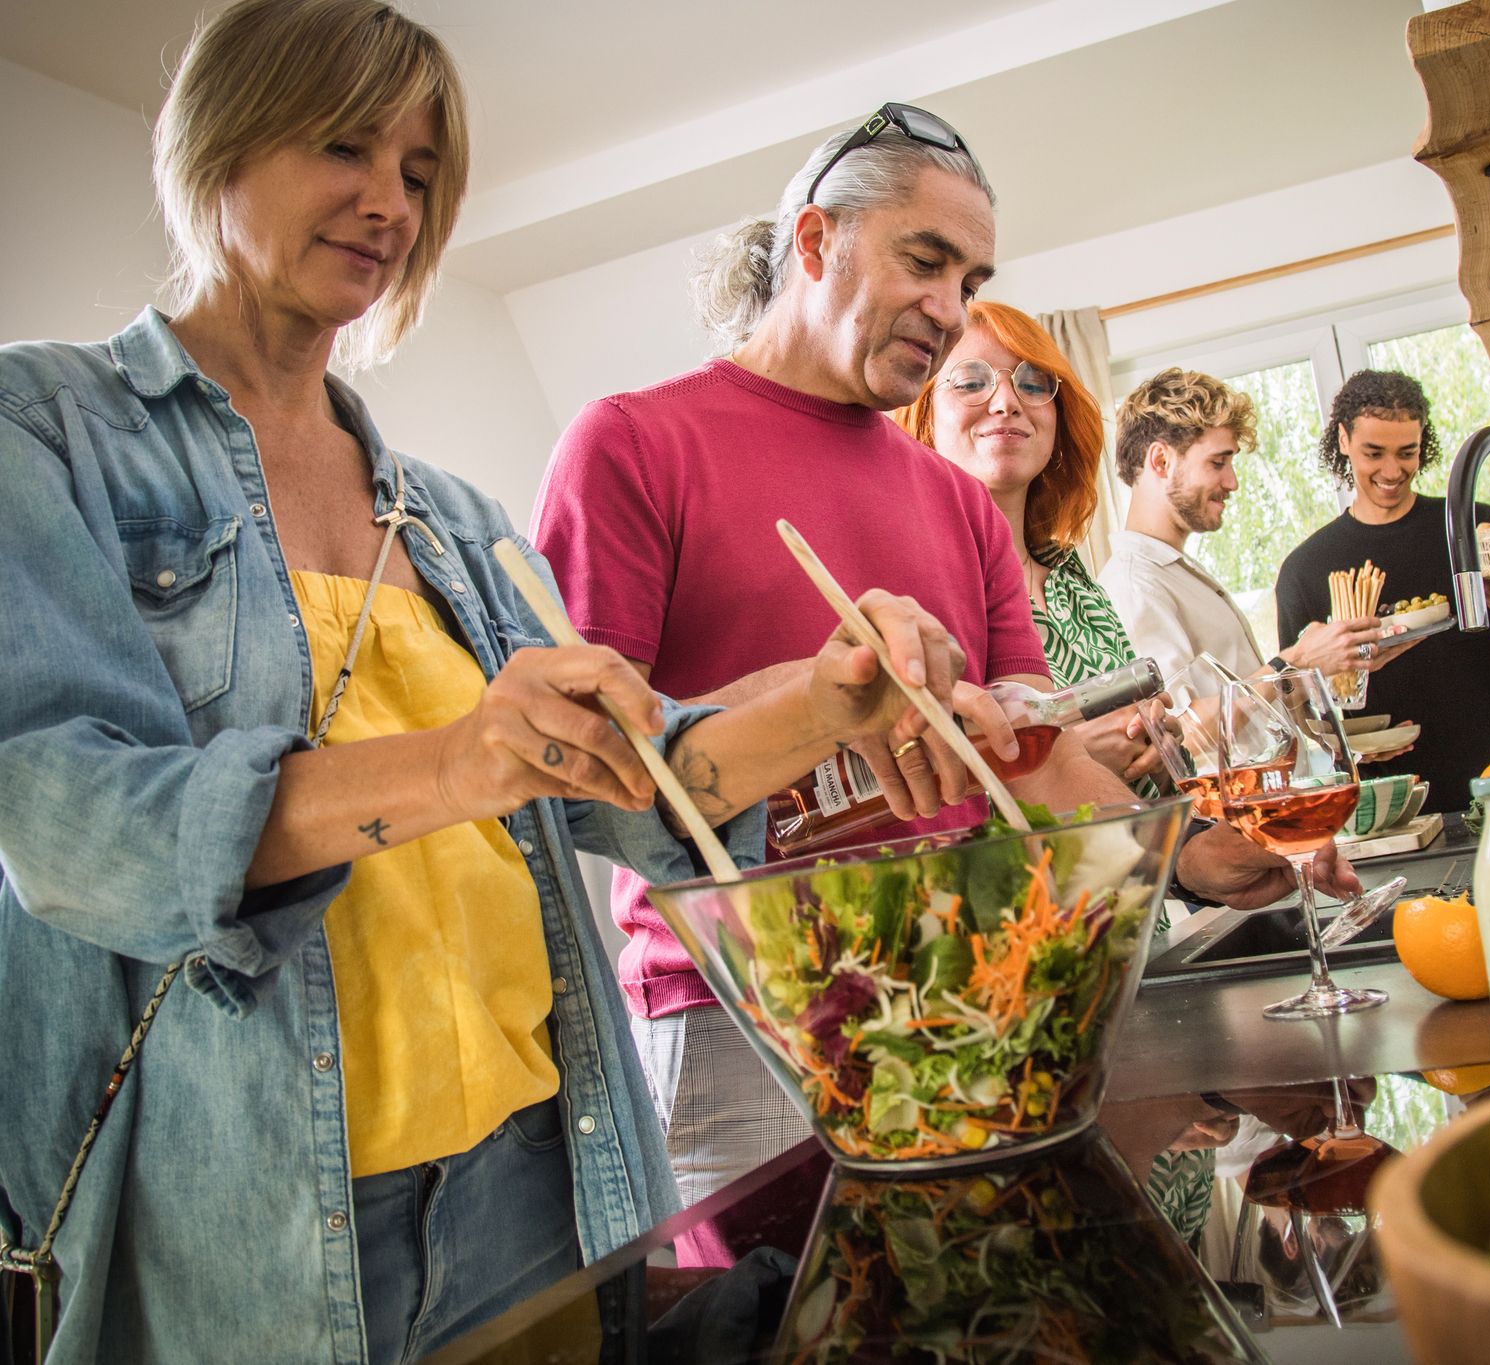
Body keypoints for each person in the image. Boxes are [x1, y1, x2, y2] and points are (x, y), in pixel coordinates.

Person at [0, 6, 974, 1360]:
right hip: (262, 1214)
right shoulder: (45, 428)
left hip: (541, 1165)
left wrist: (829, 699)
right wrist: (464, 758)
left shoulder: (452, 518)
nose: (388, 202)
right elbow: (68, 819)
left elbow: (627, 796)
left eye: (418, 172)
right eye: (345, 145)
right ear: (214, 142)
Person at [532, 107, 1359, 1214]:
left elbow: (1034, 753)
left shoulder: (949, 501)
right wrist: (817, 699)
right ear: (815, 243)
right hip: (746, 1014)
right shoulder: (631, 445)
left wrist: (1192, 856)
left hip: (980, 983)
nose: (948, 309)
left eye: (968, 278)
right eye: (924, 261)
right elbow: (581, 773)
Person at [896, 300, 1165, 788]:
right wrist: (1072, 758)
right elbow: (909, 788)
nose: (1006, 402)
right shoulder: (911, 588)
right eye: (972, 382)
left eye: (1032, 383)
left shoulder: (1071, 573)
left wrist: (1155, 743)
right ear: (924, 419)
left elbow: (1133, 732)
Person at [1275, 369, 1490, 813]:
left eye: (1407, 452)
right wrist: (1343, 750)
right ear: (1343, 440)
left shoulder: (1474, 528)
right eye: (1373, 452)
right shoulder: (1307, 569)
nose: (1392, 470)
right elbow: (1296, 709)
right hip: (1393, 804)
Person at [1099, 367, 1414, 688]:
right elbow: (1183, 729)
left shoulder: (1172, 571)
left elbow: (1243, 718)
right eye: (1217, 462)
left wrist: (1330, 662)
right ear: (1161, 461)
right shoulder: (1134, 587)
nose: (1232, 482)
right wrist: (1299, 659)